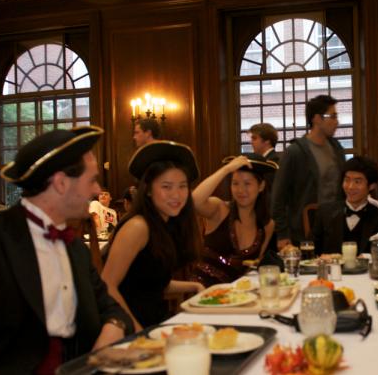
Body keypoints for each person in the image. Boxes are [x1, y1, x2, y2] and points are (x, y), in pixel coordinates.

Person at [0, 126, 132, 374]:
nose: (98, 191)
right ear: (61, 183)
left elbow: (111, 308)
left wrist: (105, 342)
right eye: (93, 180)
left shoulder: (75, 247)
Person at [102, 141, 204, 332]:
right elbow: (107, 286)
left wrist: (194, 286)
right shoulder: (138, 226)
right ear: (148, 190)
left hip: (156, 322)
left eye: (182, 186)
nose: (176, 194)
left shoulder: (165, 224)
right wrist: (137, 332)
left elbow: (151, 284)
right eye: (166, 187)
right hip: (128, 326)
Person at [190, 153, 277, 286]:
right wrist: (226, 170)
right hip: (203, 291)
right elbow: (194, 201)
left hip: (238, 296)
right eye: (235, 183)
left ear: (261, 186)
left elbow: (253, 266)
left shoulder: (267, 225)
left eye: (247, 183)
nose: (240, 190)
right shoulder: (219, 209)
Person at [272, 95, 346, 249]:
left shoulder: (336, 148)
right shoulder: (295, 152)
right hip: (304, 230)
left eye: (336, 116)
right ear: (316, 119)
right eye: (332, 116)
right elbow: (278, 196)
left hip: (334, 228)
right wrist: (282, 234)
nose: (336, 121)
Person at [310, 156, 378, 254]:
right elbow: (310, 249)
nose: (350, 187)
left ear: (371, 186)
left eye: (357, 181)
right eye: (347, 180)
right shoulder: (325, 213)